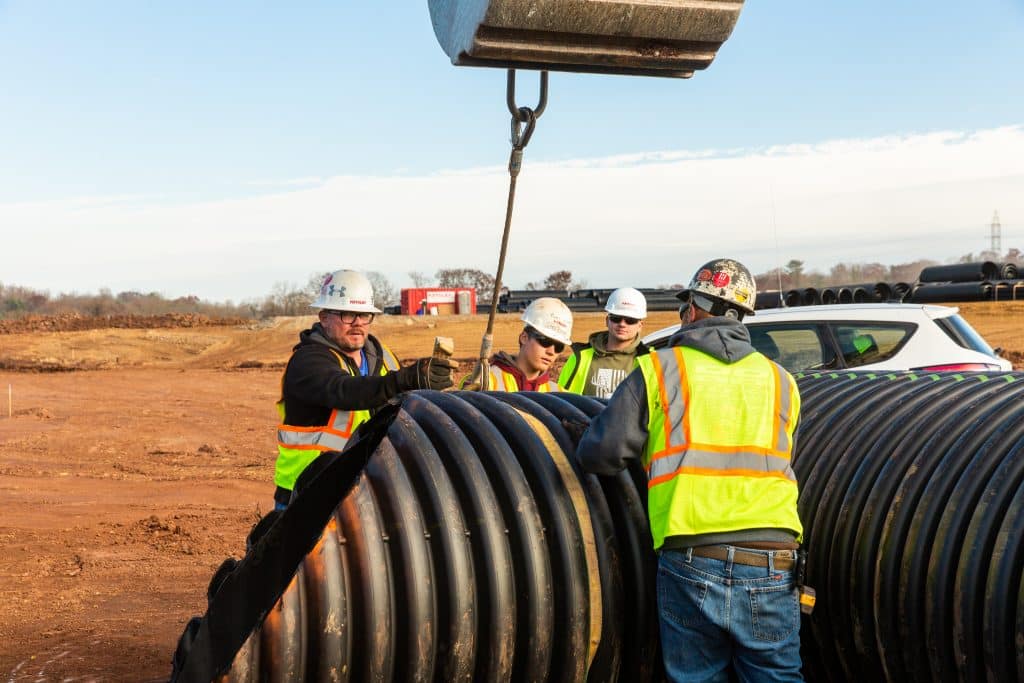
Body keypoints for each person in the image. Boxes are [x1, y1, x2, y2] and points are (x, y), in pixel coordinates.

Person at [575, 258, 804, 682]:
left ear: (695, 307)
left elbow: (599, 455)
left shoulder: (660, 369)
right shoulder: (780, 380)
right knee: (777, 675)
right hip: (774, 557)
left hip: (693, 554)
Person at [274, 269, 457, 509]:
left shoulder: (384, 359)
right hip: (306, 494)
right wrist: (408, 378)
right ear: (324, 317)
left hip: (365, 491)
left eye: (364, 315)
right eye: (348, 314)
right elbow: (345, 391)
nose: (358, 323)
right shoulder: (308, 361)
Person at [462, 296, 573, 391]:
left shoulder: (559, 395)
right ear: (524, 338)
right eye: (545, 341)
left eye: (559, 347)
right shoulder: (485, 382)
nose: (551, 352)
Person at [558, 286, 650, 398]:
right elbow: (560, 400)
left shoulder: (649, 361)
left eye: (630, 320)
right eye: (616, 318)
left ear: (640, 326)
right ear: (607, 321)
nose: (622, 324)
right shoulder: (580, 358)